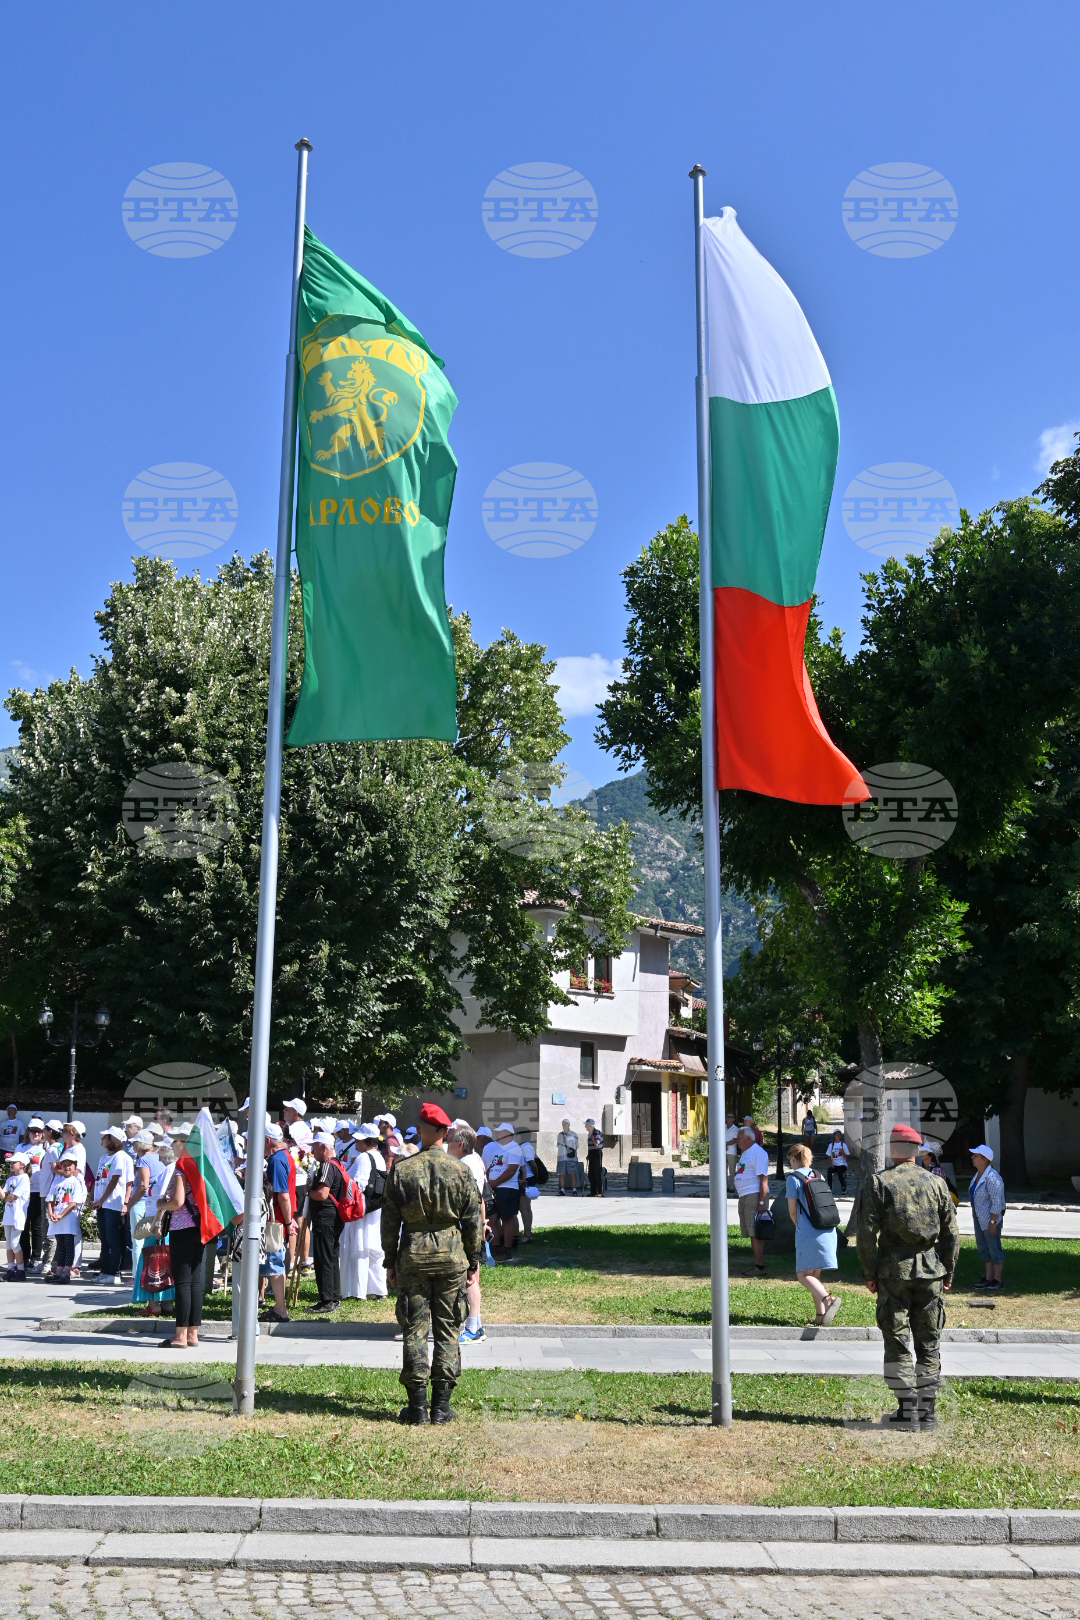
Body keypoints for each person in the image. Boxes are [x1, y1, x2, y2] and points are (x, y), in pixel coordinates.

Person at [382, 1101, 482, 1425]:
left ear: (423, 1131)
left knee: (413, 1328)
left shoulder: (402, 1169)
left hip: (412, 1255)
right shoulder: (462, 1170)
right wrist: (474, 1259)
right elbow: (472, 1221)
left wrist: (389, 1259)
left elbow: (389, 1221)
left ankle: (417, 1408)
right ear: (445, 1133)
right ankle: (441, 1407)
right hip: (452, 1258)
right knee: (449, 1329)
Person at [856, 1120, 960, 1427]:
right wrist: (948, 1271)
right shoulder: (937, 1184)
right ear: (917, 1151)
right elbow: (952, 1235)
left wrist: (869, 1271)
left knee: (897, 1340)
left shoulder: (879, 1183)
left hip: (893, 1273)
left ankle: (905, 1410)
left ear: (892, 1149)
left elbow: (865, 1234)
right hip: (931, 1273)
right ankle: (926, 1412)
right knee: (929, 1342)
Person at [786, 1143, 840, 1324]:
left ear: (793, 1158)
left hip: (808, 1231)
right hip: (826, 1228)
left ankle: (828, 1299)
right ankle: (820, 1315)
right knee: (814, 1275)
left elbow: (792, 1211)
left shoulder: (793, 1179)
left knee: (803, 1274)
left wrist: (798, 1227)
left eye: (790, 1160)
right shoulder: (819, 1175)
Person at [155, 1153, 204, 1349]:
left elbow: (177, 1201)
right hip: (201, 1227)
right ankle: (193, 1333)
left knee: (182, 1282)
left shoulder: (180, 1168)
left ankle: (180, 1335)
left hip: (182, 1228)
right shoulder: (202, 1167)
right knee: (194, 1282)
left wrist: (161, 1205)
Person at [447, 1121, 487, 1342]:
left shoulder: (466, 1164)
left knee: (468, 1278)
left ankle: (473, 1327)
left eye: (450, 1139)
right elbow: (480, 1199)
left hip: (464, 1226)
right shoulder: (475, 1160)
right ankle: (476, 1324)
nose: (446, 1143)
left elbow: (466, 1198)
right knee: (472, 1276)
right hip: (470, 1225)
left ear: (460, 1143)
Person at [128, 1131, 174, 1317]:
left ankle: (154, 1305)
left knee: (152, 1263)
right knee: (163, 1262)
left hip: (157, 1222)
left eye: (161, 1149)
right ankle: (166, 1303)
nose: (158, 1153)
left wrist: (158, 1224)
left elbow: (164, 1198)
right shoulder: (168, 1169)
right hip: (160, 1222)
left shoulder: (169, 1170)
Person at [88, 1127, 133, 1284]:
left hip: (113, 1203)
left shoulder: (120, 1156)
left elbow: (115, 1180)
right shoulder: (103, 1157)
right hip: (102, 1204)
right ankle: (105, 1270)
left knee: (114, 1239)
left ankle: (114, 1272)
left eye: (105, 1137)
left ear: (113, 1139)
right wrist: (92, 1196)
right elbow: (98, 1178)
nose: (102, 1139)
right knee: (105, 1239)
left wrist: (104, 1200)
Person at [259, 1123, 294, 1325]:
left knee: (274, 1264)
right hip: (280, 1219)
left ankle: (280, 1309)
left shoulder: (276, 1159)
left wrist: (288, 1222)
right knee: (275, 1264)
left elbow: (283, 1195)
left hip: (276, 1220)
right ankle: (279, 1307)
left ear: (266, 1141)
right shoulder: (285, 1156)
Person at [353, 1125, 388, 1300]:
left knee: (360, 1247)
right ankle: (377, 1289)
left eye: (358, 1139)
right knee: (374, 1248)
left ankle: (359, 1290)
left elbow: (358, 1183)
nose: (355, 1142)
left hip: (363, 1209)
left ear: (367, 1141)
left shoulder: (363, 1157)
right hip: (376, 1207)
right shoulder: (379, 1157)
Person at [968, 1143, 1006, 1292]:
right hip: (979, 1218)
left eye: (975, 1155)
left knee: (994, 1248)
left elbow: (997, 1202)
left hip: (990, 1220)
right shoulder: (978, 1175)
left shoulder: (992, 1177)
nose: (972, 1157)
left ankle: (998, 1280)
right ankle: (988, 1278)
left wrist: (993, 1222)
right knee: (984, 1248)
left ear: (984, 1159)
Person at [734, 1125, 771, 1276]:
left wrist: (761, 1202)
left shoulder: (758, 1152)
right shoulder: (745, 1153)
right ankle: (757, 1264)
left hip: (754, 1195)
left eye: (739, 1138)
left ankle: (759, 1267)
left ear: (748, 1139)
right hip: (745, 1195)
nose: (737, 1141)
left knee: (756, 1231)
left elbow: (763, 1177)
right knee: (751, 1231)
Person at [45, 1149, 86, 1282]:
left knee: (69, 1245)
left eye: (70, 1164)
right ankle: (59, 1270)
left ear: (75, 1166)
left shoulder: (76, 1182)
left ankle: (67, 1272)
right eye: (64, 1165)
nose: (67, 1167)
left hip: (67, 1218)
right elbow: (50, 1199)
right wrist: (51, 1213)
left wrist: (61, 1215)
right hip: (57, 1218)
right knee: (60, 1245)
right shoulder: (57, 1181)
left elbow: (73, 1202)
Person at [483, 1122, 524, 1256]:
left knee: (507, 1218)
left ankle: (507, 1248)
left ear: (508, 1134)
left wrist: (495, 1182)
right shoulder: (495, 1148)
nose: (497, 1134)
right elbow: (490, 1166)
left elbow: (511, 1170)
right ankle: (496, 1246)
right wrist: (488, 1180)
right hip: (493, 1187)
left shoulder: (514, 1148)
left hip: (507, 1188)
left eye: (499, 1132)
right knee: (492, 1217)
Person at [20, 1119, 46, 1274]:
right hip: (23, 1191)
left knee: (36, 1227)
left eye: (39, 1131)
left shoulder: (45, 1148)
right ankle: (24, 1257)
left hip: (38, 1190)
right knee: (23, 1225)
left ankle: (36, 1257)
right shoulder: (22, 1148)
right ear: (28, 1132)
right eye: (33, 1131)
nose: (36, 1134)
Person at [38, 1122, 63, 1276]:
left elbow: (56, 1168)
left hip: (49, 1192)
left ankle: (49, 1263)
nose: (42, 1132)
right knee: (47, 1228)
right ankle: (50, 1262)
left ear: (50, 1132)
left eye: (45, 1130)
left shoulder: (54, 1149)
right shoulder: (51, 1148)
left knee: (48, 1229)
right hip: (46, 1192)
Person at [3, 1150, 31, 1280]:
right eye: (11, 1162)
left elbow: (11, 1197)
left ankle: (20, 1270)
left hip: (18, 1216)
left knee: (14, 1243)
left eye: (14, 1162)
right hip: (8, 1216)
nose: (11, 1164)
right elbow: (4, 1195)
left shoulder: (24, 1178)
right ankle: (10, 1268)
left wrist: (5, 1196)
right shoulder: (10, 1178)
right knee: (8, 1244)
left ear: (22, 1164)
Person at [518, 1128, 540, 1235]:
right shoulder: (522, 1147)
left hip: (527, 1178)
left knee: (524, 1207)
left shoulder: (526, 1148)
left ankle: (527, 1233)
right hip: (525, 1178)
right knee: (526, 1207)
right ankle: (528, 1232)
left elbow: (532, 1164)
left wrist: (536, 1177)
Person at [556, 1117, 579, 1195]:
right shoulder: (560, 1135)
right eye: (563, 1124)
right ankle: (562, 1190)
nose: (564, 1125)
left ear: (569, 1125)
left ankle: (574, 1190)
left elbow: (577, 1145)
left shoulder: (573, 1134)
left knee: (573, 1173)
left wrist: (571, 1151)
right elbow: (558, 1146)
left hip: (571, 1158)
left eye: (565, 1124)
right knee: (561, 1174)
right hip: (561, 1158)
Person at [825, 1130, 850, 1195]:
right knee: (829, 1170)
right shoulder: (831, 1145)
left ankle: (843, 1187)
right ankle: (829, 1187)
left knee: (839, 1171)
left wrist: (843, 1152)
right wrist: (831, 1164)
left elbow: (847, 1158)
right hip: (835, 1164)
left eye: (839, 1135)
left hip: (842, 1164)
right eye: (837, 1135)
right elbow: (828, 1156)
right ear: (834, 1136)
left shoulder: (843, 1145)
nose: (838, 1136)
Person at [585, 1117, 604, 1197]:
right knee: (591, 1174)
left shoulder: (596, 1132)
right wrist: (588, 1155)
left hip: (597, 1153)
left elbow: (596, 1144)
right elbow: (591, 1146)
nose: (585, 1127)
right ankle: (593, 1191)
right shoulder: (590, 1133)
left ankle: (599, 1191)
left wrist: (591, 1135)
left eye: (586, 1125)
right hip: (592, 1153)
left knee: (597, 1173)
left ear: (590, 1125)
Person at [725, 1112, 740, 1193]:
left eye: (731, 1117)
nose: (729, 1118)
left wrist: (726, 1144)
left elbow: (735, 1140)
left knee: (732, 1170)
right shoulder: (723, 1127)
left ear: (733, 1119)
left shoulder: (735, 1129)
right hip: (723, 1151)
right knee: (723, 1170)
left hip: (731, 1151)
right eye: (728, 1117)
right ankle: (724, 1186)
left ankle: (731, 1186)